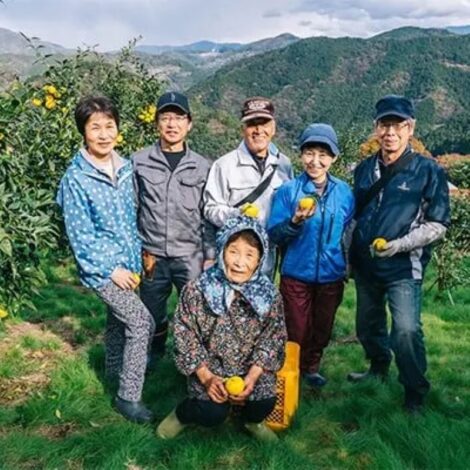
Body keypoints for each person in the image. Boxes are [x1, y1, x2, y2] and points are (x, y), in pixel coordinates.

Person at [347, 95, 451, 413]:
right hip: (366, 266)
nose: (391, 131)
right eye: (385, 124)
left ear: (411, 128)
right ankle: (378, 367)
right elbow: (354, 217)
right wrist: (349, 259)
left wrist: (401, 244)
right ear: (376, 128)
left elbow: (438, 224)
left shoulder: (428, 171)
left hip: (404, 266)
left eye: (398, 125)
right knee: (367, 325)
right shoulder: (364, 169)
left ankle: (415, 392)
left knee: (405, 329)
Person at [56, 96, 154, 423]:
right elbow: (80, 236)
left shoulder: (125, 168)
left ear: (118, 129)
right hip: (103, 271)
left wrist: (140, 254)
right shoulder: (76, 179)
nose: (103, 134)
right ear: (83, 132)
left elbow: (133, 215)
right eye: (94, 127)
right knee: (142, 324)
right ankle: (128, 397)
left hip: (131, 265)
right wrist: (112, 271)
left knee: (118, 322)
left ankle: (115, 372)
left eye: (109, 126)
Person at [156, 216, 287, 441]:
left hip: (250, 368)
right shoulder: (197, 290)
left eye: (249, 254)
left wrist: (253, 377)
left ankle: (251, 421)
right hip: (210, 366)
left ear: (260, 260)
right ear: (221, 250)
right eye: (233, 251)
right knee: (211, 413)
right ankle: (182, 415)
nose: (239, 262)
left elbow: (273, 338)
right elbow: (184, 335)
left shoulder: (269, 295)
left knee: (263, 402)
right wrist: (207, 377)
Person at [268, 124, 354, 388]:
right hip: (296, 274)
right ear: (301, 154)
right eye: (309, 153)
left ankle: (311, 367)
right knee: (297, 328)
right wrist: (294, 221)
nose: (315, 161)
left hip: (331, 275)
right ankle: (291, 370)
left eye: (323, 154)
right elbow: (275, 234)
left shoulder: (344, 193)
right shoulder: (288, 192)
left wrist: (348, 267)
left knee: (322, 327)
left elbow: (350, 232)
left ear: (333, 158)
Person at [132, 91, 215, 363]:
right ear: (156, 123)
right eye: (165, 117)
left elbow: (208, 217)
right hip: (151, 254)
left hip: (189, 254)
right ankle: (154, 353)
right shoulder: (139, 161)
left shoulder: (203, 166)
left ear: (189, 124)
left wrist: (210, 255)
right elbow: (132, 208)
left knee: (194, 310)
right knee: (151, 311)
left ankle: (191, 360)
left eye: (178, 117)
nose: (172, 124)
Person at [203, 96, 293, 275]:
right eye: (252, 124)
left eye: (264, 123)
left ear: (273, 128)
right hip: (235, 261)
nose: (259, 130)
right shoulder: (224, 165)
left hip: (268, 260)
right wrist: (236, 214)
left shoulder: (284, 164)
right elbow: (210, 209)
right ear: (242, 129)